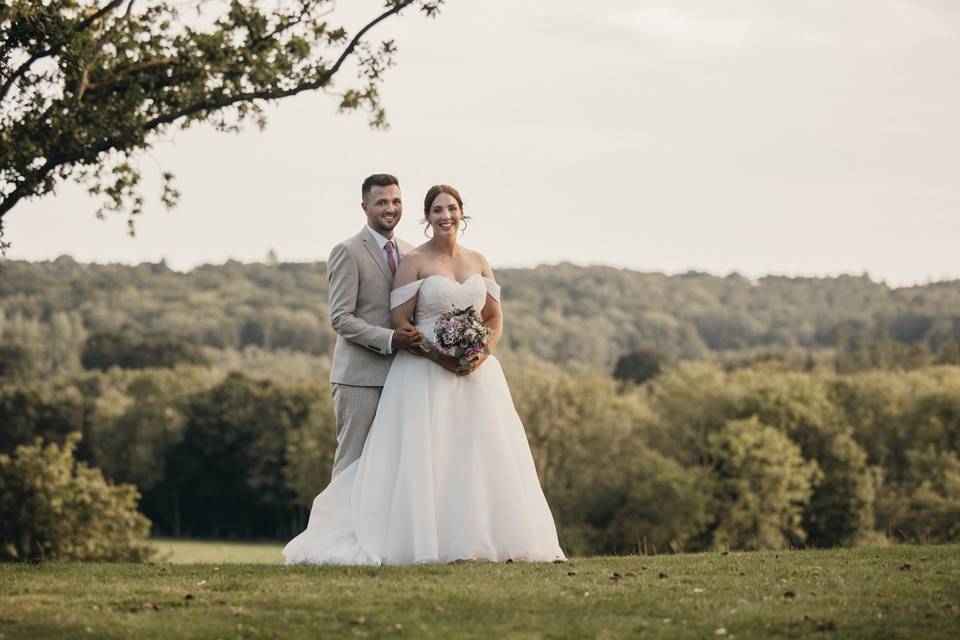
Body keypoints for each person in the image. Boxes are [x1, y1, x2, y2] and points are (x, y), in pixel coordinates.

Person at [284, 184, 565, 565]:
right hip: (394, 372)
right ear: (427, 216)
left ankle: (470, 540)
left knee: (467, 456)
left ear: (462, 212)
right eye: (436, 209)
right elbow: (367, 319)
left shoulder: (458, 257)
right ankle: (342, 534)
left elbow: (494, 316)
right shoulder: (377, 255)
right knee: (365, 463)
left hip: (473, 375)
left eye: (451, 208)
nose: (445, 215)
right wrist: (435, 353)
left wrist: (479, 351)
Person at [326, 174, 423, 479]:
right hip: (360, 380)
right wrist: (391, 339)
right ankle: (337, 527)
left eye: (396, 201)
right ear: (365, 206)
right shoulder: (348, 251)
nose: (390, 208)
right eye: (381, 202)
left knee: (394, 469)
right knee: (352, 467)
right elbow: (340, 317)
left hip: (405, 378)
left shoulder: (414, 253)